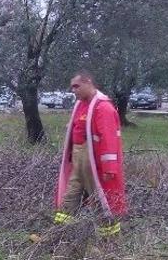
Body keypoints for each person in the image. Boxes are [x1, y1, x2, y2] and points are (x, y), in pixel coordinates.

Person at [53, 71, 127, 235]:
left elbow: (108, 139)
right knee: (70, 196)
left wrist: (109, 168)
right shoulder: (81, 105)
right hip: (79, 162)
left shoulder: (103, 107)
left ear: (88, 83)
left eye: (76, 86)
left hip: (94, 164)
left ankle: (109, 240)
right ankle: (60, 234)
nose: (73, 90)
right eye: (72, 87)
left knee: (100, 200)